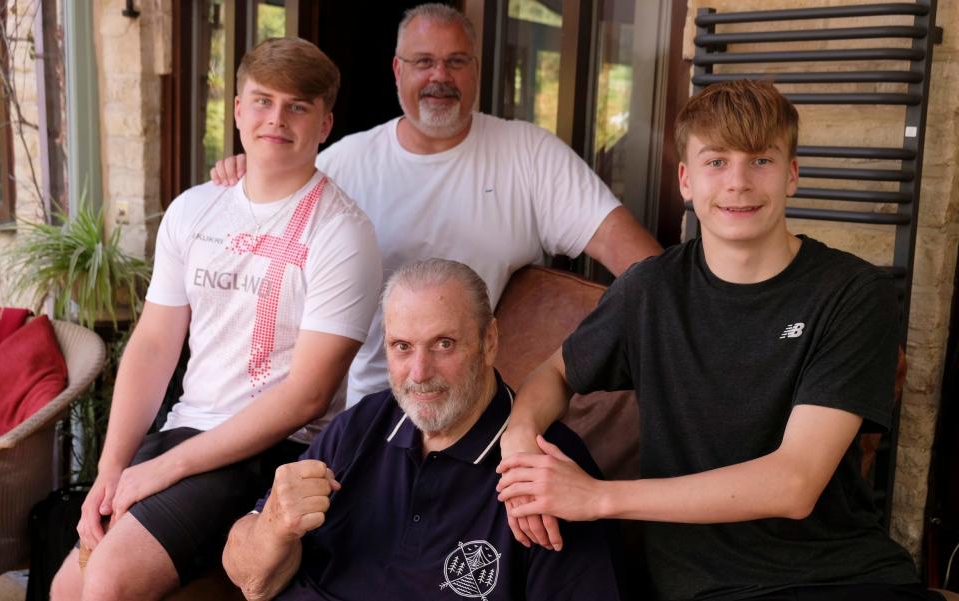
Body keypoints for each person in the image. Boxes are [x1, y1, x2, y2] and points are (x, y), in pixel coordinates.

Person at [496, 79, 944, 601]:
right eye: (716, 162)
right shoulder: (650, 291)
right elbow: (553, 372)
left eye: (760, 160)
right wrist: (519, 439)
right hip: (706, 587)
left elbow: (794, 484)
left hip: (841, 576)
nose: (738, 183)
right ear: (685, 180)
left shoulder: (852, 294)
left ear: (792, 174)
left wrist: (597, 498)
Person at [50, 38, 382, 601]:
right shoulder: (194, 209)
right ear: (235, 109)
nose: (276, 118)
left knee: (106, 582)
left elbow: (307, 397)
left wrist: (165, 468)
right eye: (262, 100)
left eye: (297, 106)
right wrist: (112, 466)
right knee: (65, 589)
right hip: (187, 430)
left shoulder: (343, 233)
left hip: (276, 450)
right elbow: (155, 344)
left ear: (324, 124)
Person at [211, 3, 662, 409]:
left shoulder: (529, 155)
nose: (439, 77)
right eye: (423, 62)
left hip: (481, 412)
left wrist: (591, 357)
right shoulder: (343, 165)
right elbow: (260, 257)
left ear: (476, 71)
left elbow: (642, 264)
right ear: (397, 70)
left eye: (456, 62)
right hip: (366, 409)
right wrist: (250, 170)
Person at [222, 259, 622, 600]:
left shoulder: (546, 468)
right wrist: (275, 524)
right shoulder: (362, 425)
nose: (419, 373)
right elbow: (250, 578)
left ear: (489, 341)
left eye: (444, 344)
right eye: (402, 347)